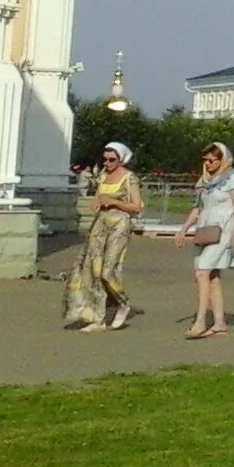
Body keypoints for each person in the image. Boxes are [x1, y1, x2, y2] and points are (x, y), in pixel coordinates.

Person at [64, 141, 143, 331]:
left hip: (119, 225)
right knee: (93, 270)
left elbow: (136, 207)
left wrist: (114, 202)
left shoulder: (129, 178)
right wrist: (96, 202)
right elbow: (99, 197)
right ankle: (97, 318)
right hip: (100, 224)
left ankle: (122, 303)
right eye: (105, 159)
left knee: (108, 271)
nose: (107, 163)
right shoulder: (103, 176)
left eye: (112, 159)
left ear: (121, 159)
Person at [175, 141, 234, 339]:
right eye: (205, 160)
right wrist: (183, 229)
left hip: (224, 229)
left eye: (212, 160)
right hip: (206, 229)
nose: (208, 164)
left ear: (222, 159)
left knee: (202, 271)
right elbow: (197, 208)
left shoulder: (232, 178)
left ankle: (200, 321)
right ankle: (220, 323)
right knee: (211, 275)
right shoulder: (204, 181)